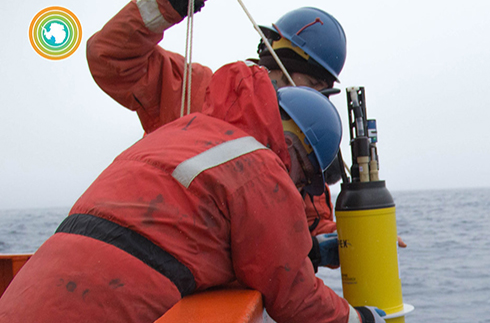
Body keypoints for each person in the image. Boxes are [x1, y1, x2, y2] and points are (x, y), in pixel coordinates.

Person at [0, 62, 384, 322]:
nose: (296, 189)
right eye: (303, 179)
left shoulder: (185, 131)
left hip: (27, 295)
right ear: (294, 145)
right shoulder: (262, 166)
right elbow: (292, 295)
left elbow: (191, 236)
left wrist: (313, 251)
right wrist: (359, 318)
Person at [85, 0, 349, 269]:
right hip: (152, 270)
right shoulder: (198, 93)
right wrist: (171, 2)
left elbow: (303, 222)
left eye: (322, 92)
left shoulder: (301, 144)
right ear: (278, 64)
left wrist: (352, 237)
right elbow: (109, 56)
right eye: (312, 84)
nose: (317, 99)